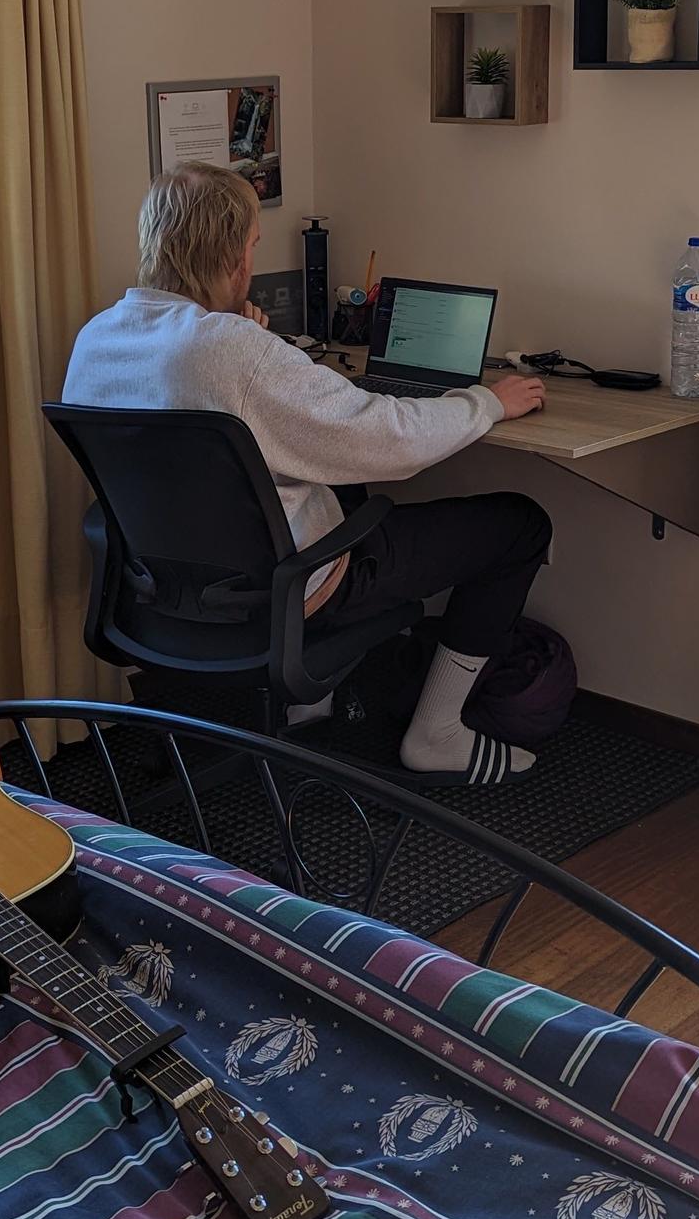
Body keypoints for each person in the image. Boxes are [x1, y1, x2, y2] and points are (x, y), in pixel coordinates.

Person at [64, 162, 553, 785]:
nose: (250, 259)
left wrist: (250, 343)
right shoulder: (229, 349)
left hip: (164, 589)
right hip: (287, 589)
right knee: (519, 525)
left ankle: (312, 701)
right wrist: (487, 401)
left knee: (340, 478)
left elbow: (229, 414)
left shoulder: (99, 338)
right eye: (250, 245)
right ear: (230, 254)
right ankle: (437, 735)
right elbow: (388, 437)